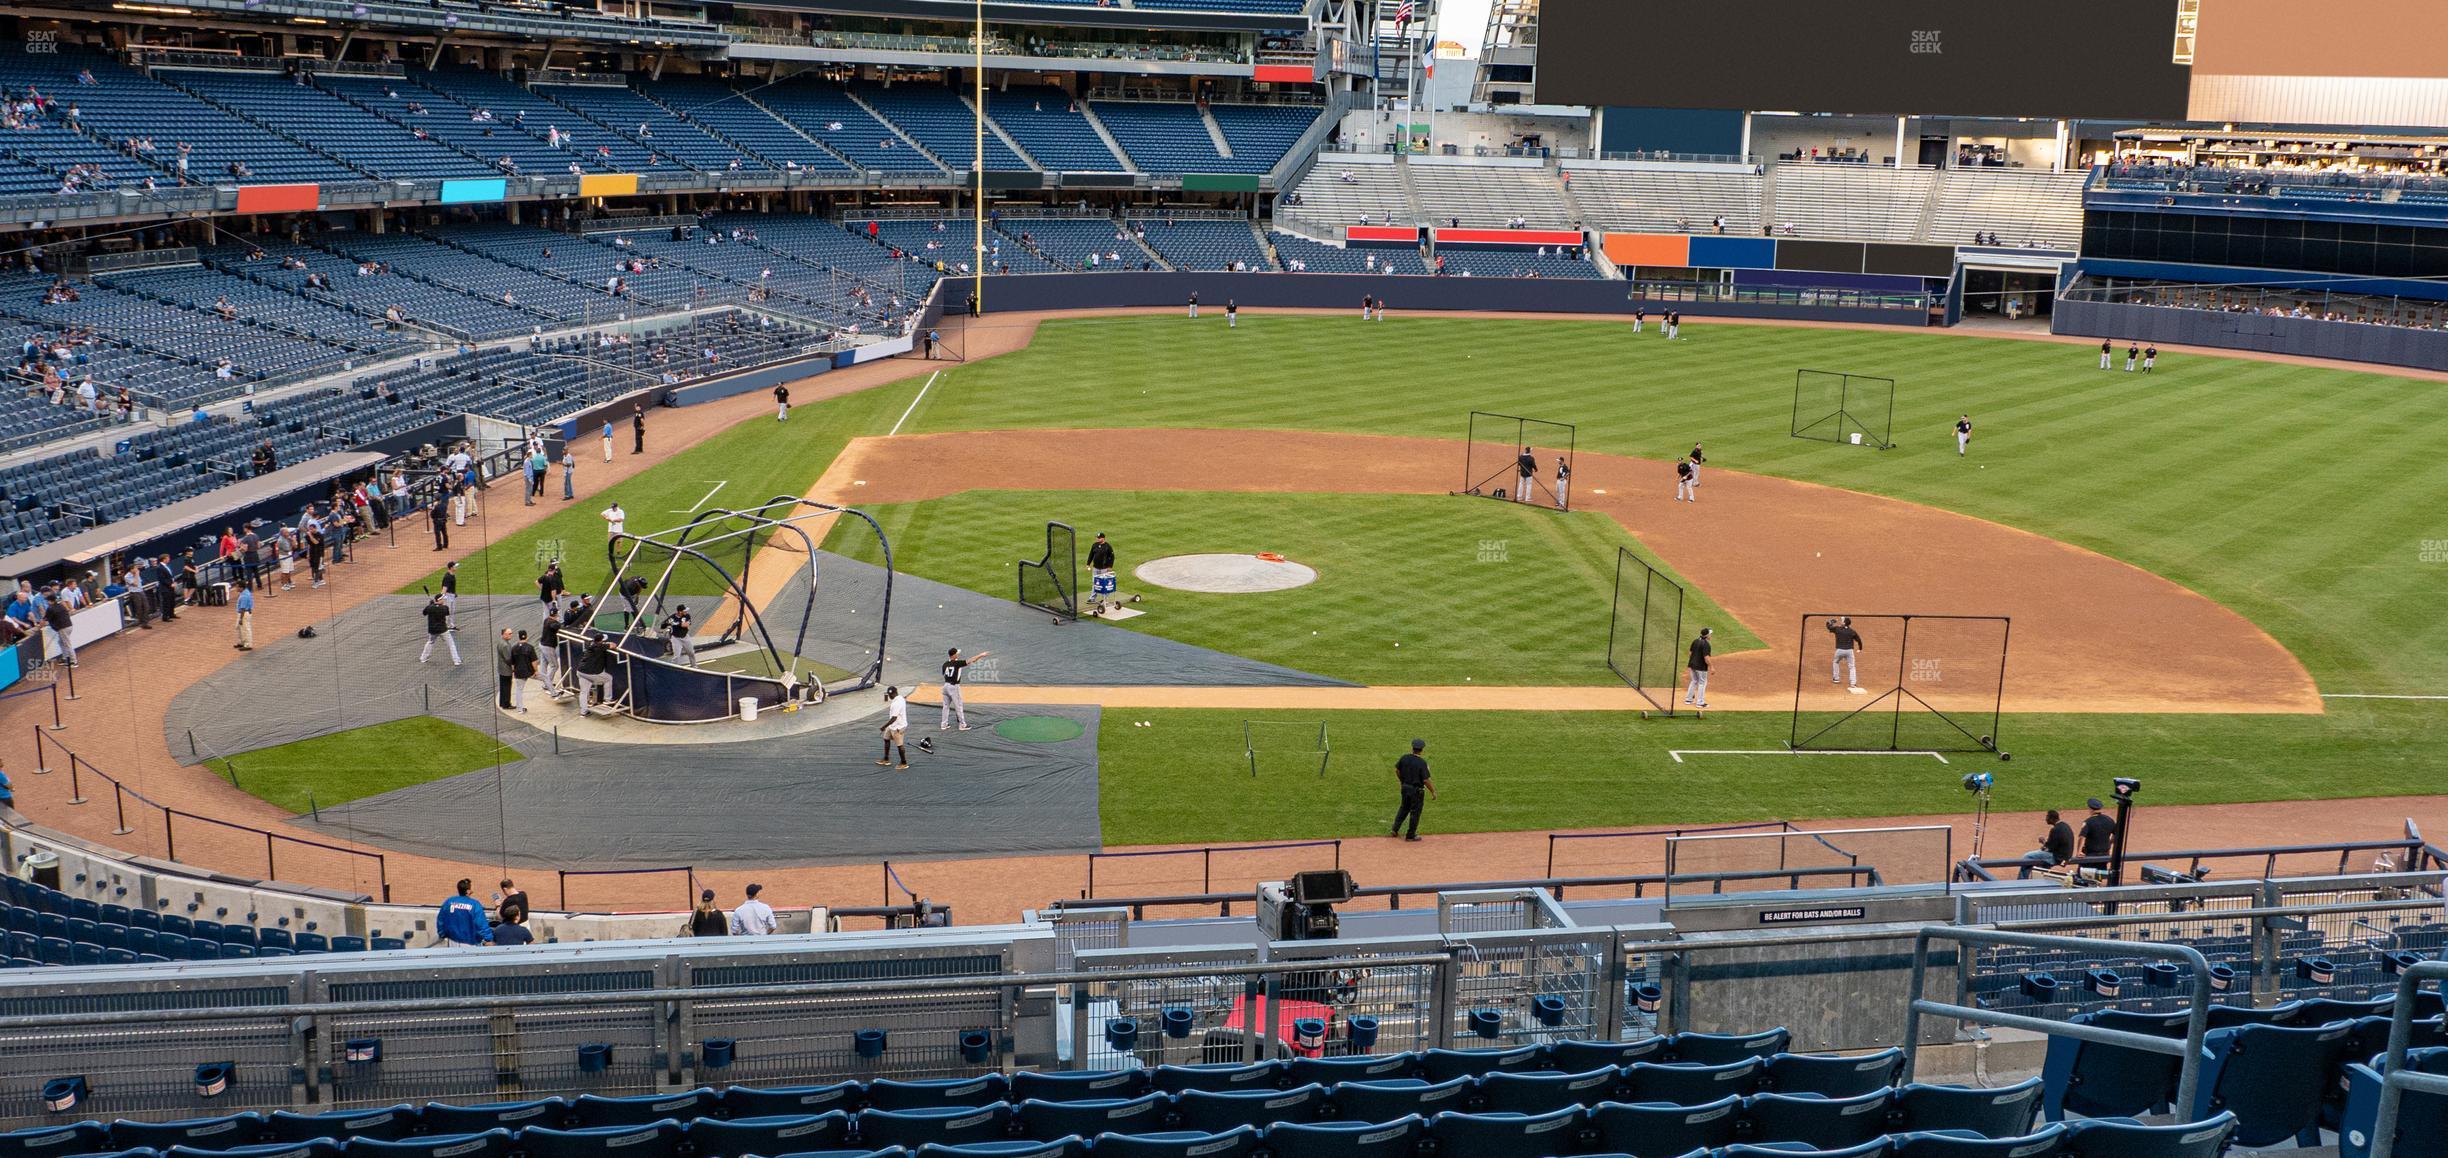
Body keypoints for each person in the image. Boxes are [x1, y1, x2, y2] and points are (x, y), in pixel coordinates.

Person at [1391, 738, 1433, 841]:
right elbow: (1426, 780)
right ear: (1422, 749)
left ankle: (1395, 829)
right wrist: (1433, 791)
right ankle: (1410, 835)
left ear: (1412, 748)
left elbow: (1397, 770)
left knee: (1403, 808)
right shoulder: (1422, 763)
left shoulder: (1404, 758)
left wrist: (1402, 781)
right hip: (1416, 791)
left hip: (1405, 788)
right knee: (1415, 813)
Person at [940, 646, 988, 731]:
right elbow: (971, 660)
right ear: (954, 655)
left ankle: (944, 724)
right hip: (954, 687)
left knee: (946, 706)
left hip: (945, 686)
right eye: (957, 653)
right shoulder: (957, 663)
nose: (958, 654)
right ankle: (962, 725)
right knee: (959, 706)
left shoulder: (945, 664)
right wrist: (981, 655)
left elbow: (944, 674)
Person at [2020, 810, 2077, 878]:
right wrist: (2045, 847)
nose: (2046, 819)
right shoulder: (2065, 825)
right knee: (2041, 866)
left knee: (2027, 856)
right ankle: (2040, 881)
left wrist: (2043, 842)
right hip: (2066, 856)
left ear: (2052, 819)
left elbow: (2049, 848)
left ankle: (2022, 880)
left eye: (2047, 817)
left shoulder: (2055, 829)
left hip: (2057, 858)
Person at [436, 879, 491, 946]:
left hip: (452, 942)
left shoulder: (449, 902)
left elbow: (441, 920)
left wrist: (442, 934)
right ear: (468, 891)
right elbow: (481, 923)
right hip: (470, 943)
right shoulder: (474, 904)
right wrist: (488, 938)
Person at [877, 685, 914, 768]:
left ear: (894, 693)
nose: (890, 696)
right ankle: (886, 759)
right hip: (892, 726)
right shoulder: (900, 698)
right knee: (886, 739)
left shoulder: (897, 703)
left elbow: (894, 718)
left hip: (898, 727)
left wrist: (884, 726)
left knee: (899, 745)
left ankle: (904, 763)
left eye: (890, 695)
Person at [419, 594, 460, 665]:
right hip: (442, 630)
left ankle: (423, 658)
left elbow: (424, 613)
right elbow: (447, 613)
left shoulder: (430, 607)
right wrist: (433, 605)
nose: (444, 600)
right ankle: (457, 661)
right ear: (439, 600)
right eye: (442, 599)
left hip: (432, 630)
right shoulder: (445, 608)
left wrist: (430, 605)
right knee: (451, 644)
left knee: (430, 642)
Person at [576, 636, 615, 709]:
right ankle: (607, 699)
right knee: (609, 678)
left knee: (583, 692)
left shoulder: (590, 643)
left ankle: (583, 712)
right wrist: (607, 643)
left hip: (580, 671)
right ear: (601, 641)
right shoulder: (601, 646)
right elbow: (613, 645)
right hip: (590, 673)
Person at [1827, 616, 1865, 688]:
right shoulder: (1852, 631)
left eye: (1842, 621)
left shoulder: (1837, 629)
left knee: (1836, 662)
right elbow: (1859, 640)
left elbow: (1829, 627)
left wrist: (1830, 622)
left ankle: (1836, 678)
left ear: (1844, 623)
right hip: (1849, 651)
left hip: (1839, 651)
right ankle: (1853, 683)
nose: (1841, 622)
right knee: (1852, 667)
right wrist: (1860, 648)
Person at [509, 630, 539, 712]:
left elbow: (512, 663)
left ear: (518, 637)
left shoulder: (514, 648)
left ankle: (520, 709)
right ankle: (554, 694)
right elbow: (534, 662)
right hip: (530, 672)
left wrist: (512, 672)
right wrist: (536, 670)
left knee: (519, 690)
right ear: (526, 636)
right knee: (545, 678)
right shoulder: (530, 647)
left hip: (518, 673)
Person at [1685, 628, 1712, 713]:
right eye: (1710, 634)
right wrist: (1712, 667)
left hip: (1692, 665)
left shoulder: (1695, 641)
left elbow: (1690, 653)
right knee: (1702, 683)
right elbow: (1706, 658)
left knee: (1694, 681)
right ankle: (1700, 703)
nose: (1711, 635)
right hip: (1701, 667)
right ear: (1707, 635)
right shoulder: (1706, 644)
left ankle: (1688, 700)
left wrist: (1694, 661)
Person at [42, 596, 73, 668]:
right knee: (61, 642)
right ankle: (65, 658)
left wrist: (40, 626)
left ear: (50, 601)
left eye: (47, 601)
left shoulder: (50, 608)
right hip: (69, 625)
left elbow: (45, 619)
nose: (47, 602)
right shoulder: (60, 605)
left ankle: (73, 661)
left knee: (67, 644)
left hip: (63, 628)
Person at [1086, 533, 1116, 605]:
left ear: (1103, 538)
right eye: (1097, 537)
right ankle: (1092, 598)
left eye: (1099, 538)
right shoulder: (1094, 545)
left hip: (1104, 569)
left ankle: (1105, 600)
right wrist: (1088, 564)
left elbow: (1112, 557)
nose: (1097, 539)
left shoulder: (1107, 546)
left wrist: (1110, 566)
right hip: (1095, 568)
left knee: (1104, 584)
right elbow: (1091, 555)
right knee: (1095, 583)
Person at [495, 628, 518, 710]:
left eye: (511, 633)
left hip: (501, 668)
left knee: (503, 686)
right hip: (506, 670)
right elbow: (508, 659)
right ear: (504, 634)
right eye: (509, 634)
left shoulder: (500, 642)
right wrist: (513, 667)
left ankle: (502, 702)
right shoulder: (505, 645)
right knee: (507, 687)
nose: (511, 635)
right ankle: (506, 704)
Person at [232, 584, 254, 651]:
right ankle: (241, 642)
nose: (236, 588)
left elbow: (243, 608)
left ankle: (248, 644)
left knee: (245, 629)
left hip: (243, 614)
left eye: (237, 587)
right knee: (238, 627)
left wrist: (241, 618)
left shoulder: (244, 596)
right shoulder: (246, 592)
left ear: (241, 587)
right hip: (245, 612)